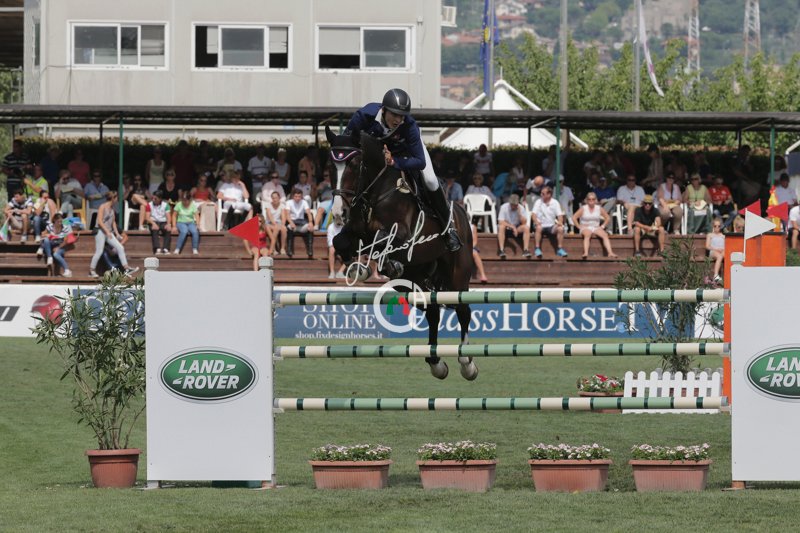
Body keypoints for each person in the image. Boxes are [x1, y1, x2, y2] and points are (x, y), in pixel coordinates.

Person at [344, 88, 461, 251]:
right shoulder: (364, 115)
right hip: (377, 155)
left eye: (402, 116)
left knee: (430, 180)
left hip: (406, 153)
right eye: (395, 114)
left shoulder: (410, 126)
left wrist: (394, 161)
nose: (398, 120)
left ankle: (448, 228)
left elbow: (419, 161)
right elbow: (347, 141)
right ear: (383, 110)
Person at [89, 191, 138, 278]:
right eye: (116, 198)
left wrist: (117, 233)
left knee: (120, 247)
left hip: (109, 232)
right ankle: (91, 270)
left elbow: (113, 222)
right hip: (100, 231)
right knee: (99, 251)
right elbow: (99, 221)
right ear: (113, 198)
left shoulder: (112, 208)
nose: (117, 199)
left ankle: (126, 268)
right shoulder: (102, 206)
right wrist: (107, 232)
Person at [572, 192, 617, 259]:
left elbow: (607, 218)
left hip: (595, 226)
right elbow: (574, 217)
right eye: (589, 199)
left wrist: (602, 226)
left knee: (605, 235)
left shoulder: (599, 208)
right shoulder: (583, 208)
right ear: (587, 200)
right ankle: (586, 252)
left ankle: (610, 252)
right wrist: (578, 226)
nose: (591, 201)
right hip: (585, 227)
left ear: (596, 200)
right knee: (588, 234)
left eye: (593, 199)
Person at [531, 186, 568, 258]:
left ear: (549, 194)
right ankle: (537, 249)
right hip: (540, 225)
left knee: (560, 228)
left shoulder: (555, 202)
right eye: (541, 193)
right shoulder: (538, 202)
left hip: (551, 226)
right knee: (538, 228)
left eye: (543, 193)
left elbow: (560, 215)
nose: (541, 195)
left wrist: (560, 222)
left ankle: (559, 249)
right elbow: (533, 215)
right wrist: (536, 221)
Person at [496, 194, 531, 259]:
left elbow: (524, 223)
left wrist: (519, 214)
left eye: (515, 205)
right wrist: (512, 227)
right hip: (507, 227)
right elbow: (500, 221)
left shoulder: (521, 208)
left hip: (517, 228)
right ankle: (501, 250)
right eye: (512, 205)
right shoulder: (504, 207)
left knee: (526, 228)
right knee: (501, 227)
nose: (513, 206)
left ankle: (526, 250)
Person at [284, 187, 315, 258]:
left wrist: (310, 222)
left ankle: (310, 250)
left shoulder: (304, 202)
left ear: (301, 196)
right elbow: (287, 214)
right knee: (289, 228)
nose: (297, 198)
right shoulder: (289, 202)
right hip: (292, 223)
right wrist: (291, 222)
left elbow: (309, 213)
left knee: (310, 228)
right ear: (293, 196)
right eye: (296, 196)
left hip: (301, 223)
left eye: (299, 196)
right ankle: (289, 250)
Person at [41, 212, 74, 277]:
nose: (60, 223)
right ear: (54, 221)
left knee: (56, 254)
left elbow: (65, 240)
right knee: (46, 239)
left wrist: (58, 247)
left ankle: (67, 270)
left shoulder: (64, 227)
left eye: (61, 221)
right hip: (51, 245)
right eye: (58, 221)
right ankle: (49, 257)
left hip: (61, 245)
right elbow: (42, 234)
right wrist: (47, 235)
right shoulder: (50, 226)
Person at [264, 191, 287, 255]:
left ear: (279, 198)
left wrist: (283, 224)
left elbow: (283, 217)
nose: (275, 199)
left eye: (276, 198)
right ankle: (273, 248)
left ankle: (282, 248)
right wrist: (275, 224)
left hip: (278, 223)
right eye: (273, 198)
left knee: (284, 228)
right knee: (276, 228)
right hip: (269, 223)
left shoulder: (282, 205)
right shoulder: (268, 205)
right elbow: (270, 216)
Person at [326, 215, 346, 279]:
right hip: (334, 246)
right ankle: (332, 272)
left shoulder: (344, 227)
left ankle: (340, 272)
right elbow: (330, 242)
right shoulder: (330, 227)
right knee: (331, 249)